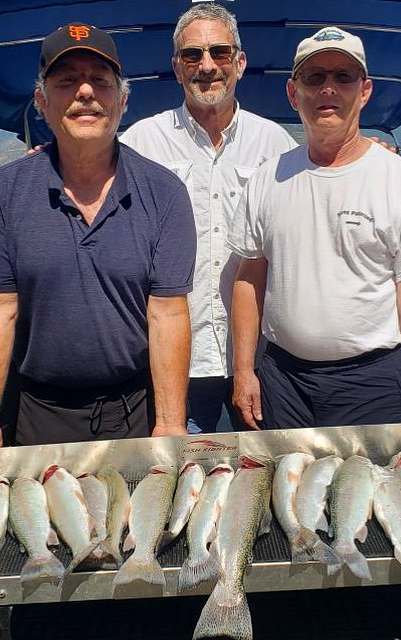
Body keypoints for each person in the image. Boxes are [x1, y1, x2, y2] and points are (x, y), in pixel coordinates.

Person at [0, 23, 196, 488]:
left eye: (101, 81)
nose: (85, 92)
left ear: (122, 101)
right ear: (42, 102)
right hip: (37, 416)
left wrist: (170, 423)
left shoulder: (165, 193)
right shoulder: (3, 193)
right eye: (66, 81)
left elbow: (167, 313)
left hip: (135, 411)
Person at [228, 26, 401, 460]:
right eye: (314, 78)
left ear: (364, 91)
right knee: (290, 506)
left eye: (343, 76)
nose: (328, 88)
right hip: (284, 379)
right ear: (294, 93)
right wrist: (244, 371)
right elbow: (249, 279)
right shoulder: (266, 180)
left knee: (372, 514)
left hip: (372, 384)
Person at [120, 3, 298, 434]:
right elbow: (86, 181)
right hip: (174, 357)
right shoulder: (140, 142)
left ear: (239, 62)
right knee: (179, 478)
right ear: (177, 68)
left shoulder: (276, 143)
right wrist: (48, 163)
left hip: (258, 359)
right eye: (192, 56)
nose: (207, 66)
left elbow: (321, 194)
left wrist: (373, 155)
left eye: (219, 53)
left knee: (262, 474)